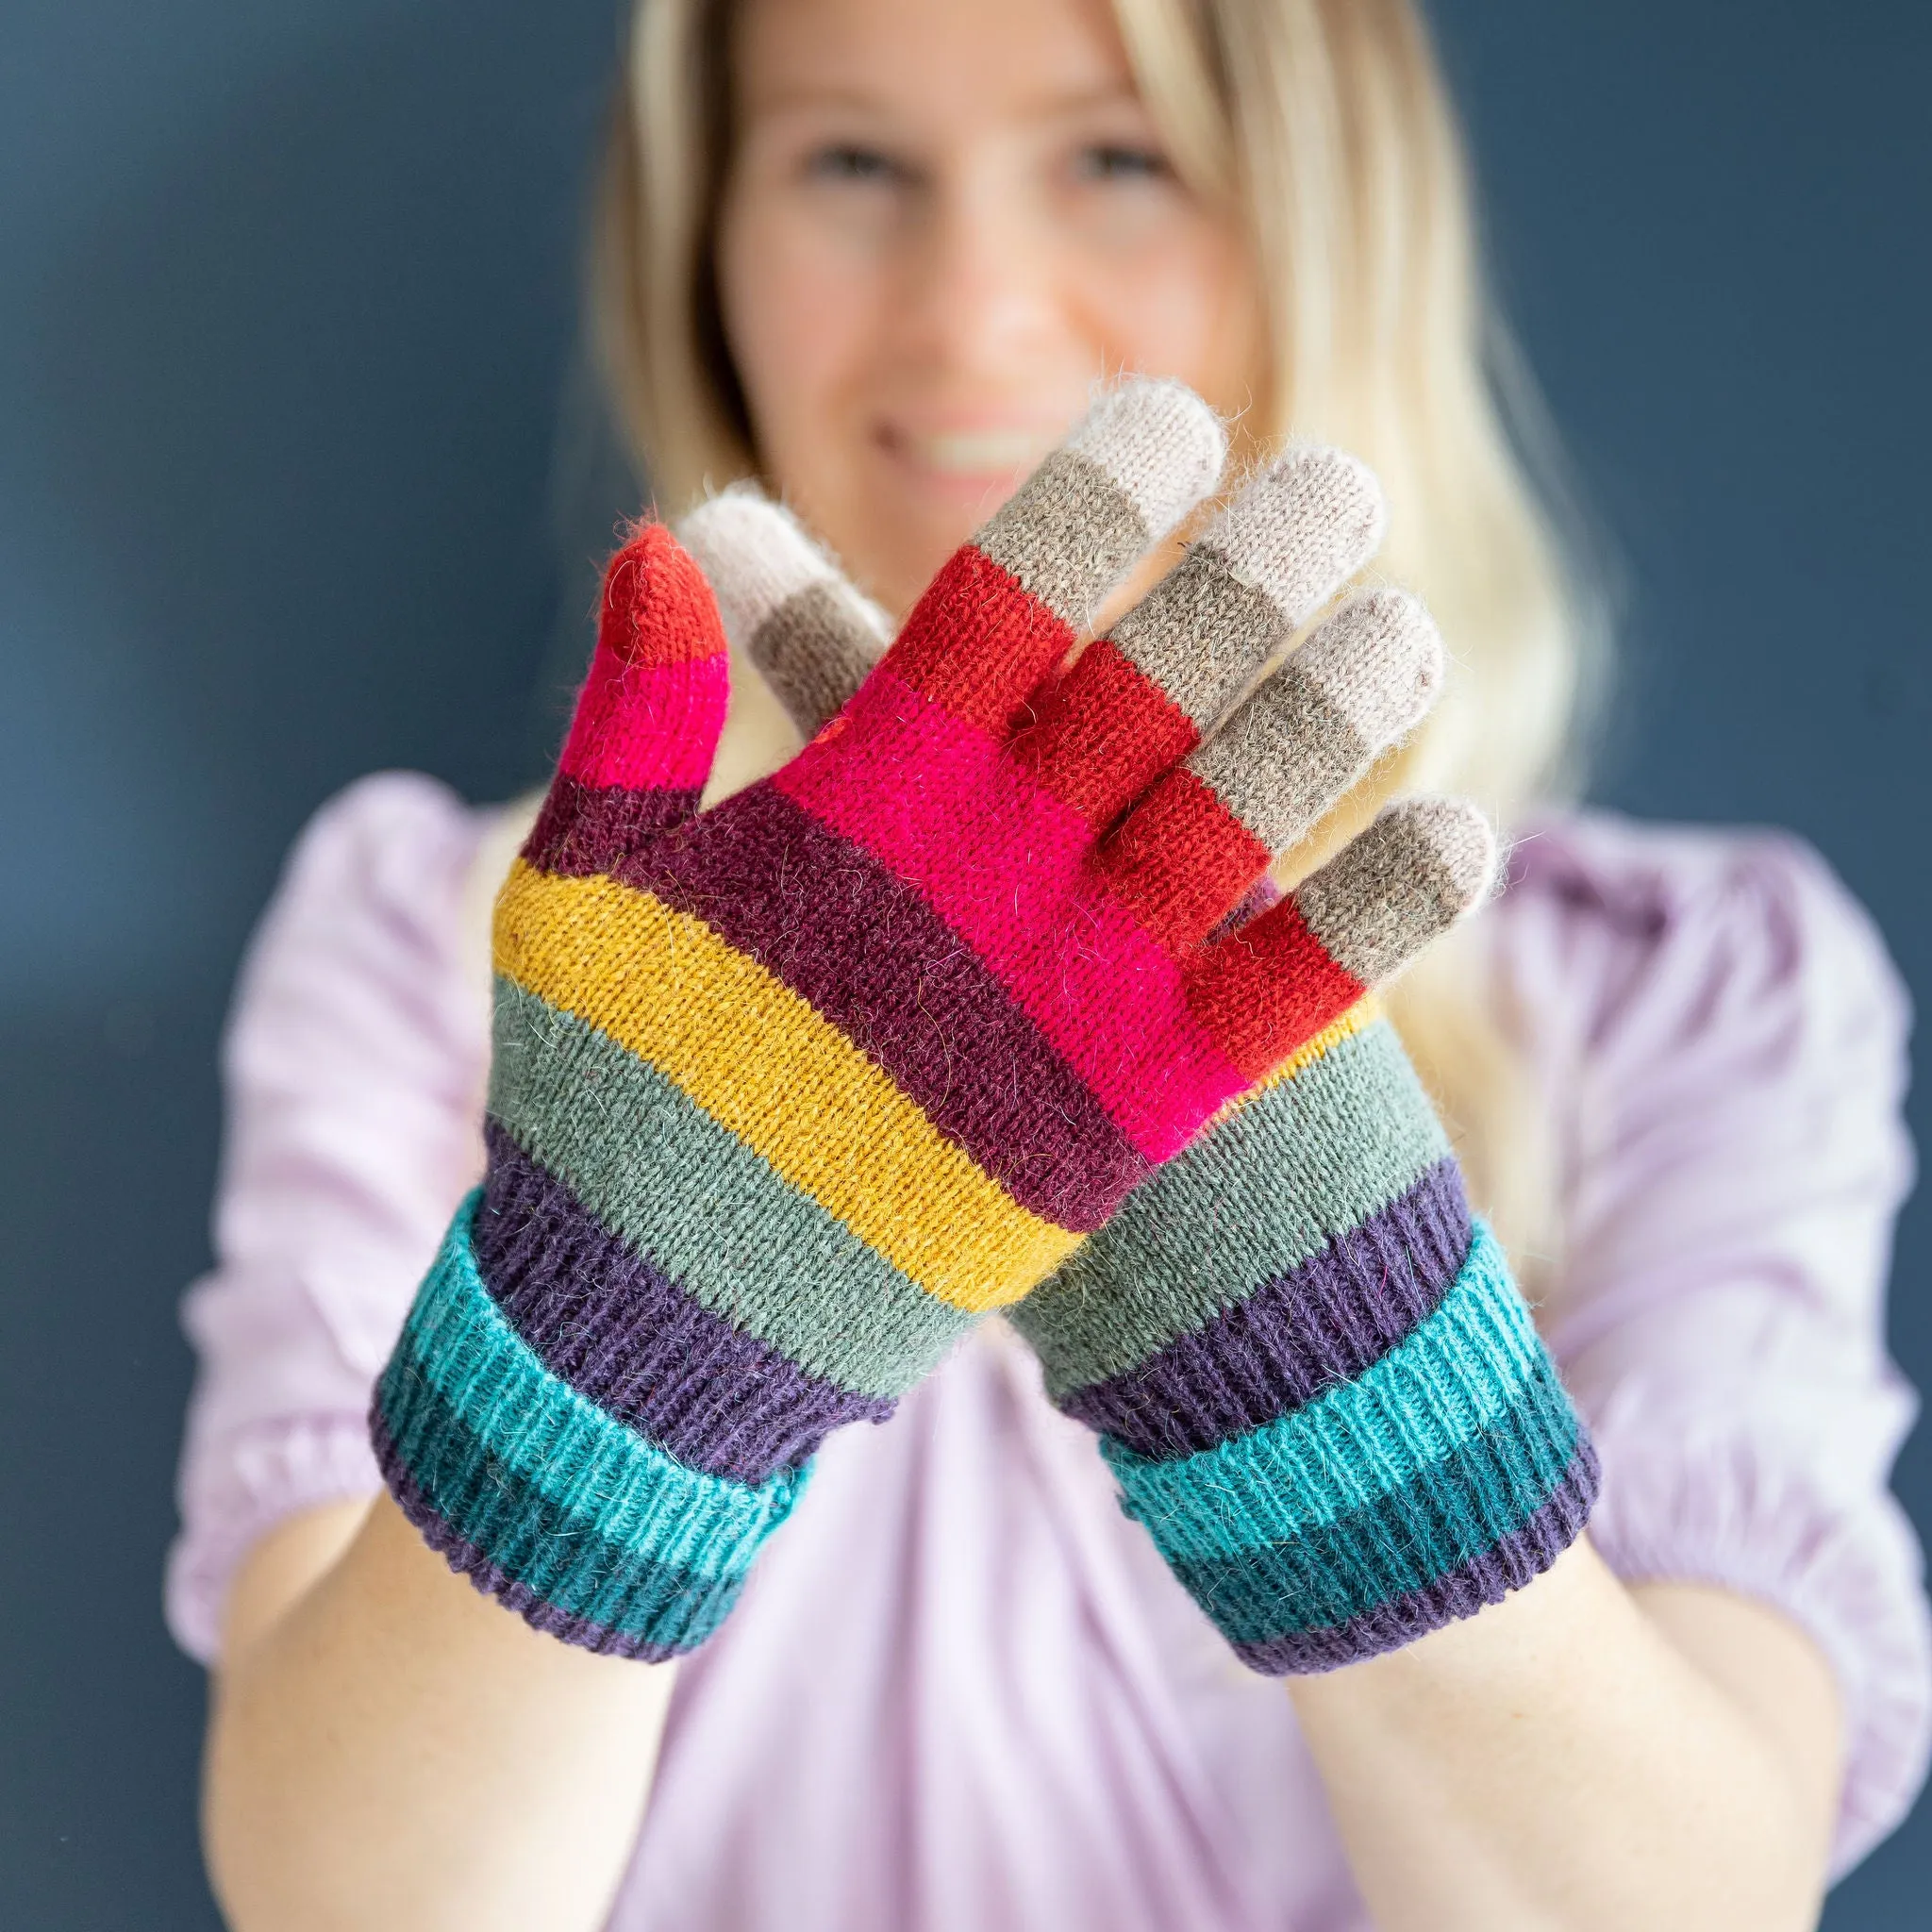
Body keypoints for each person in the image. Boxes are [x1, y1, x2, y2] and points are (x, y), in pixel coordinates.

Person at [171, 0, 1931, 1926]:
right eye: (851, 163)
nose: (973, 316)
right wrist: (622, 1370)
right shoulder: (457, 954)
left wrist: (1322, 1358)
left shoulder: (1690, 997)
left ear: (1326, 214)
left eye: (1117, 158)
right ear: (703, 249)